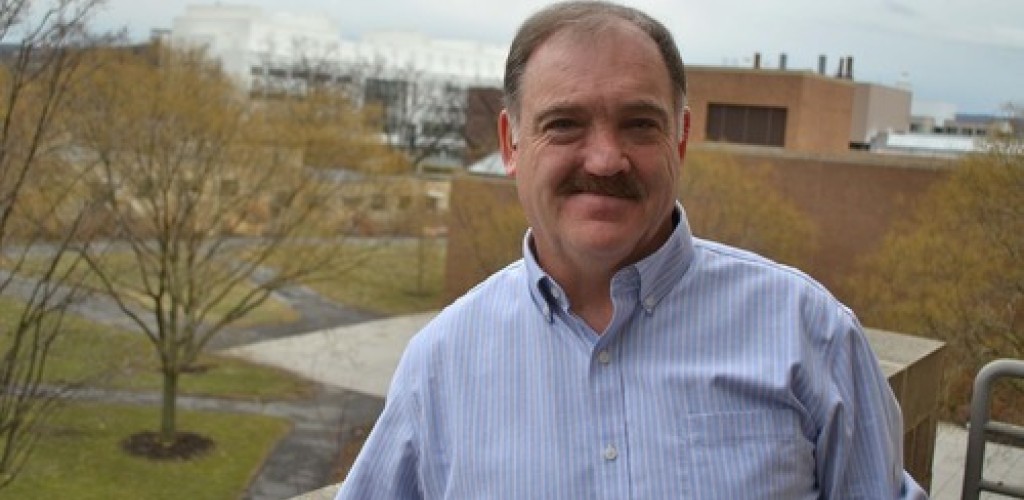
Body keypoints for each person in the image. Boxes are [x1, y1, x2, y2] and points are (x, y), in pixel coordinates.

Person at [338, 1, 928, 498]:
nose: (604, 159)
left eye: (639, 124)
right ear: (510, 143)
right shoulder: (441, 364)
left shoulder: (808, 331)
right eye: (565, 124)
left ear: (681, 138)